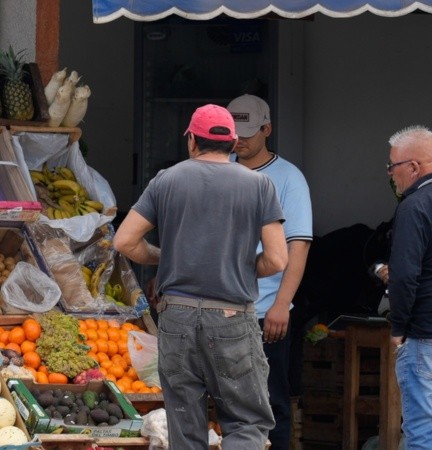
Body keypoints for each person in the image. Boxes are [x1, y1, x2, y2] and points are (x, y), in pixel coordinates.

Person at [113, 104, 288, 449]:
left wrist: (164, 258)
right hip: (231, 317)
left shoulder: (167, 179)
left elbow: (125, 241)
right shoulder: (259, 185)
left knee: (186, 429)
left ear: (192, 141)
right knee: (246, 423)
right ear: (233, 141)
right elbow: (278, 259)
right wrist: (242, 265)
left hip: (176, 317)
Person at [227, 94, 313, 450]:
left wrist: (282, 304)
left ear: (267, 129)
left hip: (264, 312)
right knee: (224, 403)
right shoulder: (219, 168)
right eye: (233, 131)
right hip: (217, 308)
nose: (239, 139)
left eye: (247, 132)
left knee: (271, 402)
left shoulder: (288, 177)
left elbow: (300, 245)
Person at [385, 125, 432, 449]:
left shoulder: (415, 206)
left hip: (424, 334)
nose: (390, 175)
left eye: (392, 167)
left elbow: (403, 275)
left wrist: (398, 327)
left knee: (422, 431)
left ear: (413, 167)